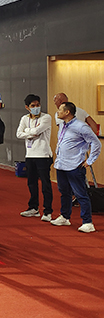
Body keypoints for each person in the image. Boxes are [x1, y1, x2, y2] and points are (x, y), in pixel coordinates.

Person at [50, 101, 100, 232]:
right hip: (61, 164)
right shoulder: (62, 125)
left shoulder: (81, 126)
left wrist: (90, 160)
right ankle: (65, 217)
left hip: (74, 166)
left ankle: (88, 222)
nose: (58, 112)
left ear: (67, 112)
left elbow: (96, 143)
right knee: (64, 193)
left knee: (80, 194)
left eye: (60, 109)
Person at [15, 94, 54, 221]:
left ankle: (47, 211)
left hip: (43, 155)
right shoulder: (24, 118)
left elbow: (37, 131)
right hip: (30, 155)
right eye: (33, 105)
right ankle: (33, 208)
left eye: (38, 105)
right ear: (27, 107)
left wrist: (27, 131)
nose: (36, 107)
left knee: (45, 184)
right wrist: (30, 132)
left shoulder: (46, 117)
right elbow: (18, 134)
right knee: (31, 183)